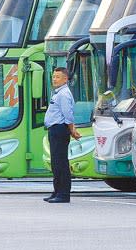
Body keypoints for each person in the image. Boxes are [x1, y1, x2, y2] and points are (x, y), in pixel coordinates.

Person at [43, 67, 81, 203]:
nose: (54, 79)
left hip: (60, 129)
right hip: (54, 129)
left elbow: (68, 115)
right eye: (53, 76)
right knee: (55, 163)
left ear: (65, 79)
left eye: (58, 77)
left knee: (61, 163)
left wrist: (72, 130)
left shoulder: (64, 94)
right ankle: (57, 191)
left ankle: (63, 194)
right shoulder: (58, 93)